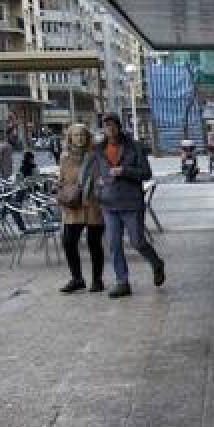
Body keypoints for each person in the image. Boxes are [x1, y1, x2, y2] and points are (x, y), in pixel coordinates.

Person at [81, 113, 165, 299]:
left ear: (119, 127)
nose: (110, 129)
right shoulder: (99, 149)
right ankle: (122, 281)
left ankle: (156, 263)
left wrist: (124, 171)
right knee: (114, 244)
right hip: (108, 204)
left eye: (113, 125)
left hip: (131, 202)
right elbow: (91, 173)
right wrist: (98, 186)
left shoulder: (134, 147)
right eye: (106, 126)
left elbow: (146, 173)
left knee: (137, 242)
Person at [56, 124, 104, 294]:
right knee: (68, 242)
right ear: (70, 138)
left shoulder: (95, 155)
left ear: (87, 137)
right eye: (76, 135)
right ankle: (77, 278)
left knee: (94, 243)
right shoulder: (65, 158)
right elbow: (61, 179)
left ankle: (97, 280)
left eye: (82, 135)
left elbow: (102, 177)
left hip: (93, 204)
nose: (80, 138)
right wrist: (62, 191)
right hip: (74, 205)